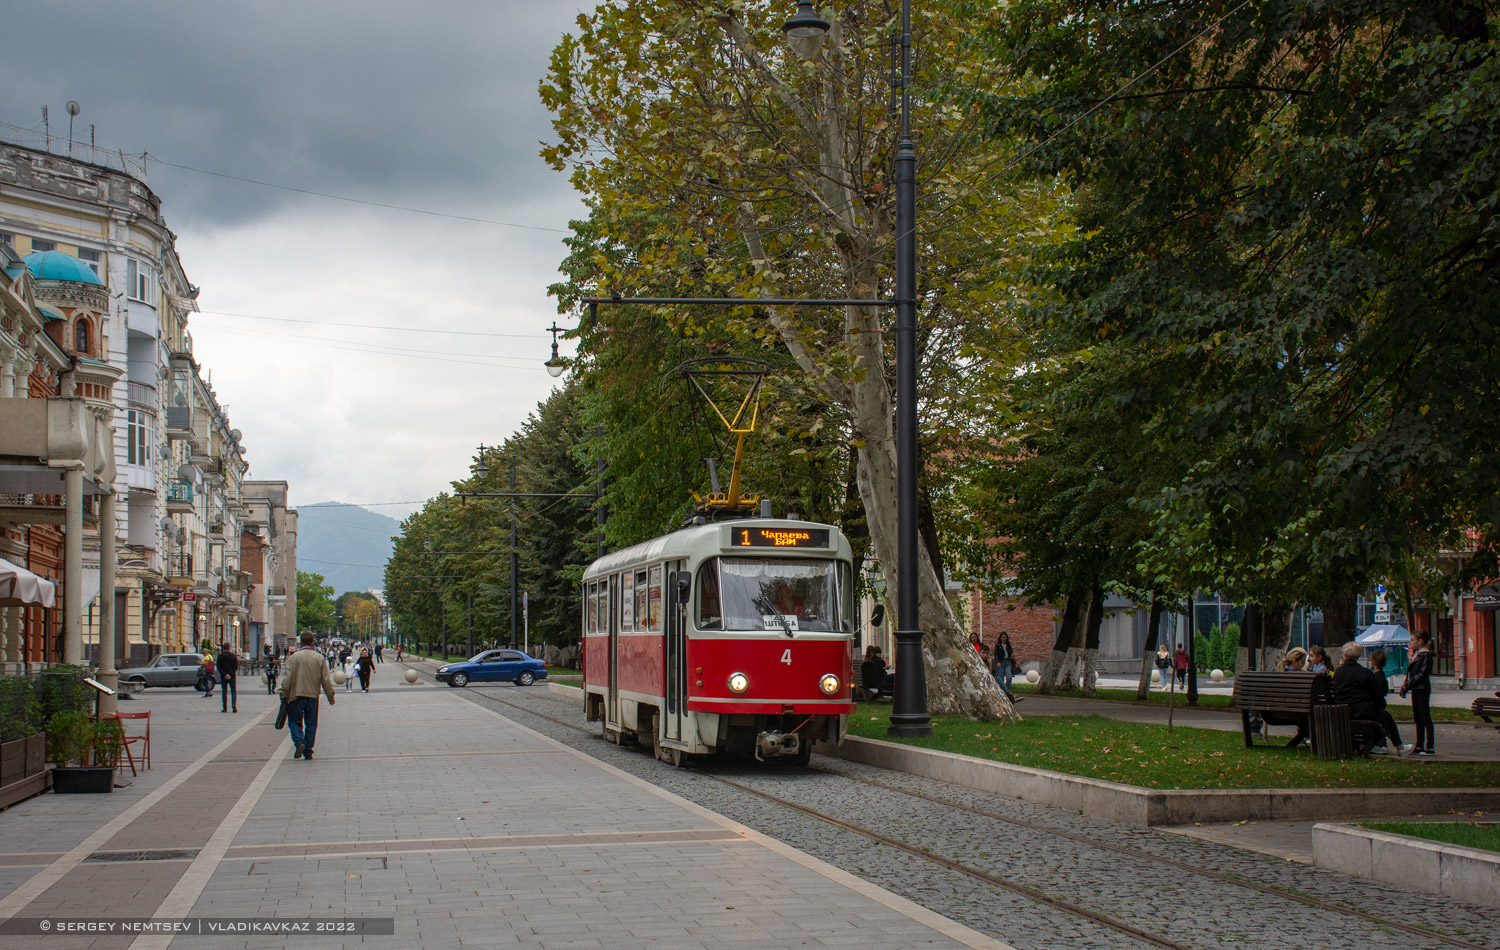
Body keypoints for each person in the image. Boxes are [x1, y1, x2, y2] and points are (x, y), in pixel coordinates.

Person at [1333, 641, 1412, 755]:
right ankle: (1399, 747)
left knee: (1381, 714)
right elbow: (1377, 696)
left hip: (1342, 711)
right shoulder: (1365, 673)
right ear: (1358, 656)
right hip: (1362, 712)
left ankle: (1378, 745)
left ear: (1345, 656)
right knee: (1384, 715)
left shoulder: (1338, 673)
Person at [279, 631, 336, 760]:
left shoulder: (294, 658)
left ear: (300, 643)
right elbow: (325, 680)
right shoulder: (319, 658)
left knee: (294, 721)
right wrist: (330, 696)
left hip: (295, 695)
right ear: (312, 643)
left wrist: (283, 692)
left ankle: (299, 741)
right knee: (311, 723)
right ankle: (308, 750)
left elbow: (287, 677)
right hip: (312, 696)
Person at [1400, 633, 1436, 755]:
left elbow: (1422, 674)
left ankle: (1429, 746)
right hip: (1416, 688)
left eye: (1412, 640)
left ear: (1420, 641)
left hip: (1422, 688)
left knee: (1425, 717)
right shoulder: (1418, 654)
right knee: (1418, 717)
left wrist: (1408, 684)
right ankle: (1419, 744)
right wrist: (1406, 686)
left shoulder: (1425, 655)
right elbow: (1412, 673)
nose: (1410, 643)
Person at [994, 632, 1019, 700]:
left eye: (1005, 637)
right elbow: (995, 654)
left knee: (1009, 677)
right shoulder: (998, 645)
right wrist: (997, 662)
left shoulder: (1008, 645)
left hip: (1007, 662)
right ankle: (1002, 692)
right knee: (1000, 678)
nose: (1004, 639)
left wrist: (1012, 656)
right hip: (1001, 662)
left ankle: (1007, 691)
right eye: (1002, 637)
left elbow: (1010, 652)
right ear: (1000, 638)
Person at [217, 643, 239, 713]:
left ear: (223, 648)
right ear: (229, 648)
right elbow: (236, 666)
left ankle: (225, 707)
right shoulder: (233, 656)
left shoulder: (220, 656)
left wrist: (224, 674)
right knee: (233, 691)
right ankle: (233, 705)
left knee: (224, 692)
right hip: (232, 676)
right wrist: (230, 674)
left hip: (223, 677)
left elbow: (219, 667)